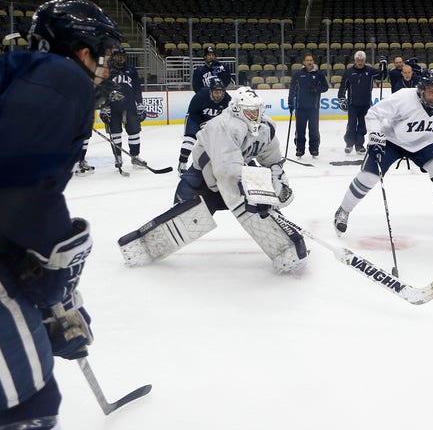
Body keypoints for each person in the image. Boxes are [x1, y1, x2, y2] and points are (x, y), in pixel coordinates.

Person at [0, 0, 123, 430]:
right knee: (27, 404)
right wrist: (52, 277)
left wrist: (53, 299)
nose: (105, 67)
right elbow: (15, 187)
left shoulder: (26, 75)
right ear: (82, 51)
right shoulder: (62, 79)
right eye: (102, 55)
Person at [119, 87, 308, 273]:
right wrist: (253, 195)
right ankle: (142, 245)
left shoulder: (266, 128)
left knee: (264, 210)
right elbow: (227, 171)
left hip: (238, 171)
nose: (255, 115)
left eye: (257, 110)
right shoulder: (224, 125)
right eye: (250, 111)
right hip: (203, 180)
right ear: (236, 109)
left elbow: (273, 162)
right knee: (183, 217)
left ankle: (288, 247)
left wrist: (278, 186)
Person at [333, 69, 433, 237]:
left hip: (423, 143)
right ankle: (343, 211)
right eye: (430, 91)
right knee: (369, 176)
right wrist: (375, 137)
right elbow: (373, 114)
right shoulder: (404, 97)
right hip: (392, 141)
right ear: (421, 90)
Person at [100, 46, 147, 172]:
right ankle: (118, 157)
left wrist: (140, 104)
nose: (120, 58)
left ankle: (135, 157)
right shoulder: (108, 71)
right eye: (117, 55)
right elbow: (103, 90)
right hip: (113, 108)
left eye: (122, 55)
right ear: (114, 57)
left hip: (130, 107)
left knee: (134, 132)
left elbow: (137, 89)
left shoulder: (131, 70)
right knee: (115, 133)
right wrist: (104, 107)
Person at [178, 78, 231, 174]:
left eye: (220, 92)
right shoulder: (201, 95)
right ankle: (182, 163)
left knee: (219, 142)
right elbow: (192, 111)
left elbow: (228, 115)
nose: (218, 95)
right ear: (210, 91)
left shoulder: (227, 99)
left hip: (212, 121)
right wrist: (201, 123)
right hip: (195, 119)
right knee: (190, 139)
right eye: (216, 92)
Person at [338, 50, 385, 154]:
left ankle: (359, 145)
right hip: (352, 104)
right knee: (351, 124)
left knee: (362, 126)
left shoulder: (370, 71)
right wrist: (341, 98)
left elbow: (382, 76)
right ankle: (349, 143)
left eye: (362, 60)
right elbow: (343, 86)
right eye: (358, 60)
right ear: (355, 60)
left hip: (365, 104)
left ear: (364, 60)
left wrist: (384, 65)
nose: (360, 62)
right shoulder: (349, 72)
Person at [288, 52, 329, 158]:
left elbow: (325, 87)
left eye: (311, 60)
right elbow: (292, 90)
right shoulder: (298, 74)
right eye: (307, 60)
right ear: (304, 62)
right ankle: (300, 149)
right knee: (300, 130)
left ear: (313, 61)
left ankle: (314, 149)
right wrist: (290, 103)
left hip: (313, 108)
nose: (309, 62)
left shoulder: (319, 74)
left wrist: (316, 89)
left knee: (314, 130)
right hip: (300, 108)